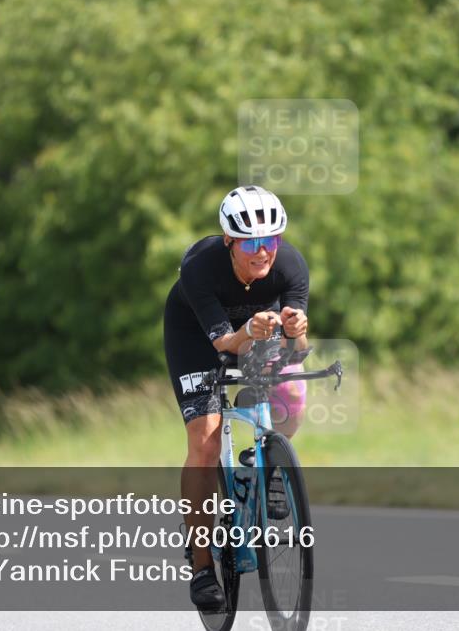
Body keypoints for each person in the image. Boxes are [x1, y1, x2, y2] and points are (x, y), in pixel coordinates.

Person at [163, 186, 310, 609]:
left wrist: (298, 331)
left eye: (271, 240)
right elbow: (225, 343)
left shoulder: (291, 265)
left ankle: (273, 470)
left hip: (256, 329)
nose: (263, 252)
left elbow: (298, 352)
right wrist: (248, 333)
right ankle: (203, 566)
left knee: (292, 391)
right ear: (229, 240)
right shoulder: (200, 269)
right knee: (206, 442)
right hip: (197, 336)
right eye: (251, 243)